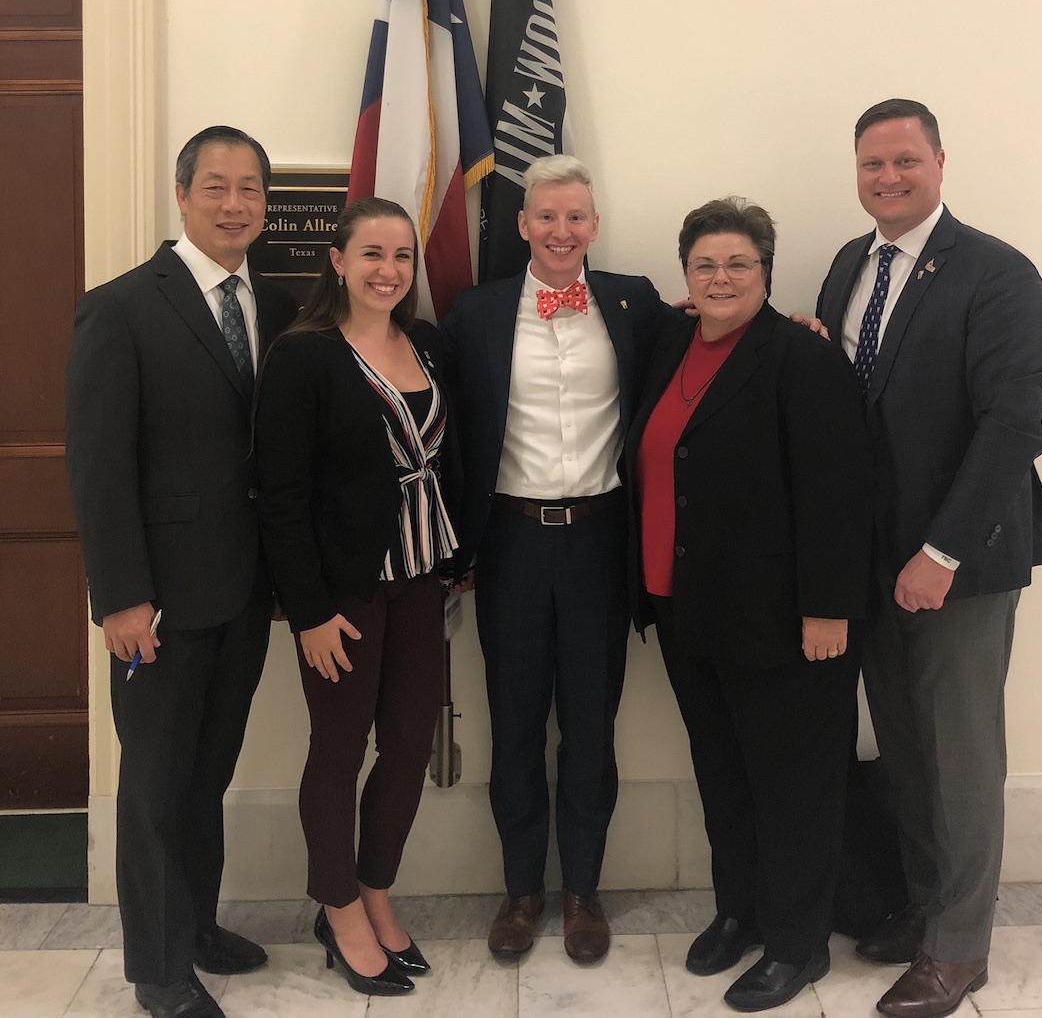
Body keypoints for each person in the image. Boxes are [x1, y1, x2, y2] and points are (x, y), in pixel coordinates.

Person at [813, 100, 1042, 1018]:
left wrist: (942, 549)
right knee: (907, 749)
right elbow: (857, 391)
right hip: (874, 561)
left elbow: (1011, 427)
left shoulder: (998, 274)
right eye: (873, 164)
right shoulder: (851, 263)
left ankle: (962, 948)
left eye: (905, 161)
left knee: (960, 754)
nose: (888, 178)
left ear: (941, 163)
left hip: (961, 561)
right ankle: (924, 904)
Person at [65, 126, 299, 1018]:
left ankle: (196, 927)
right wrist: (120, 596)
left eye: (250, 189)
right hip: (156, 601)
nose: (234, 203)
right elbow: (98, 465)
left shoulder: (276, 306)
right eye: (216, 187)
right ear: (182, 194)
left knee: (208, 774)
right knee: (156, 786)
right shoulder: (120, 306)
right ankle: (158, 971)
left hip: (242, 595)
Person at [624, 197, 874, 1011]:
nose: (721, 277)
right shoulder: (671, 343)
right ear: (685, 277)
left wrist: (829, 607)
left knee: (792, 781)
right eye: (706, 264)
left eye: (739, 263)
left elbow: (838, 493)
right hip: (686, 608)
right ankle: (741, 908)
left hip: (783, 619)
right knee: (722, 770)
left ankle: (799, 944)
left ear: (766, 271)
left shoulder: (802, 359)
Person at [438, 156, 671, 962]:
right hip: (510, 543)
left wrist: (801, 327)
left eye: (576, 217)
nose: (562, 231)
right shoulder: (476, 311)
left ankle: (582, 891)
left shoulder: (634, 300)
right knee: (513, 724)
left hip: (603, 541)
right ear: (524, 225)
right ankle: (519, 890)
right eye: (547, 217)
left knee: (592, 726)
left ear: (593, 225)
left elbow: (718, 331)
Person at [254, 197, 460, 998]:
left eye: (402, 256)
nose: (389, 270)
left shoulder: (429, 346)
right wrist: (306, 610)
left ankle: (376, 887)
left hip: (420, 581)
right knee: (338, 751)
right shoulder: (304, 356)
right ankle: (336, 904)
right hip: (341, 593)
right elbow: (280, 495)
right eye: (372, 253)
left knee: (409, 745)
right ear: (336, 260)